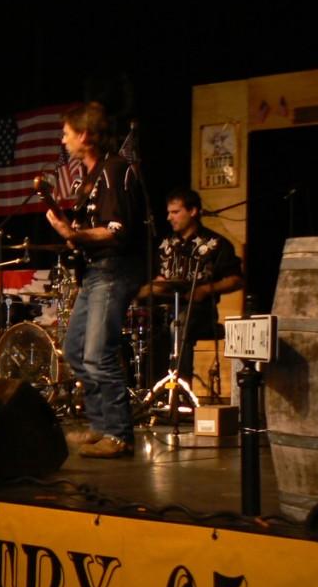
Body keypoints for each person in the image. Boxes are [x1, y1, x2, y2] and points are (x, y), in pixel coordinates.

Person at [45, 102, 146, 459]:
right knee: (75, 350)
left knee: (98, 353)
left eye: (67, 133)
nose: (63, 139)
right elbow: (90, 229)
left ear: (85, 135)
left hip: (114, 269)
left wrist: (71, 234)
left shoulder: (114, 170)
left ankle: (119, 435)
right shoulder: (88, 176)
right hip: (95, 271)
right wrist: (71, 234)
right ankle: (101, 425)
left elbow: (116, 231)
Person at [145, 188, 243, 386]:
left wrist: (205, 290)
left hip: (201, 312)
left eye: (175, 212)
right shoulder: (165, 244)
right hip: (166, 309)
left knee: (179, 324)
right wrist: (154, 286)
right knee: (143, 325)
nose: (169, 218)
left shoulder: (216, 244)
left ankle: (180, 389)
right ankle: (153, 388)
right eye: (168, 212)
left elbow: (235, 280)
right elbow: (156, 278)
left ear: (193, 211)